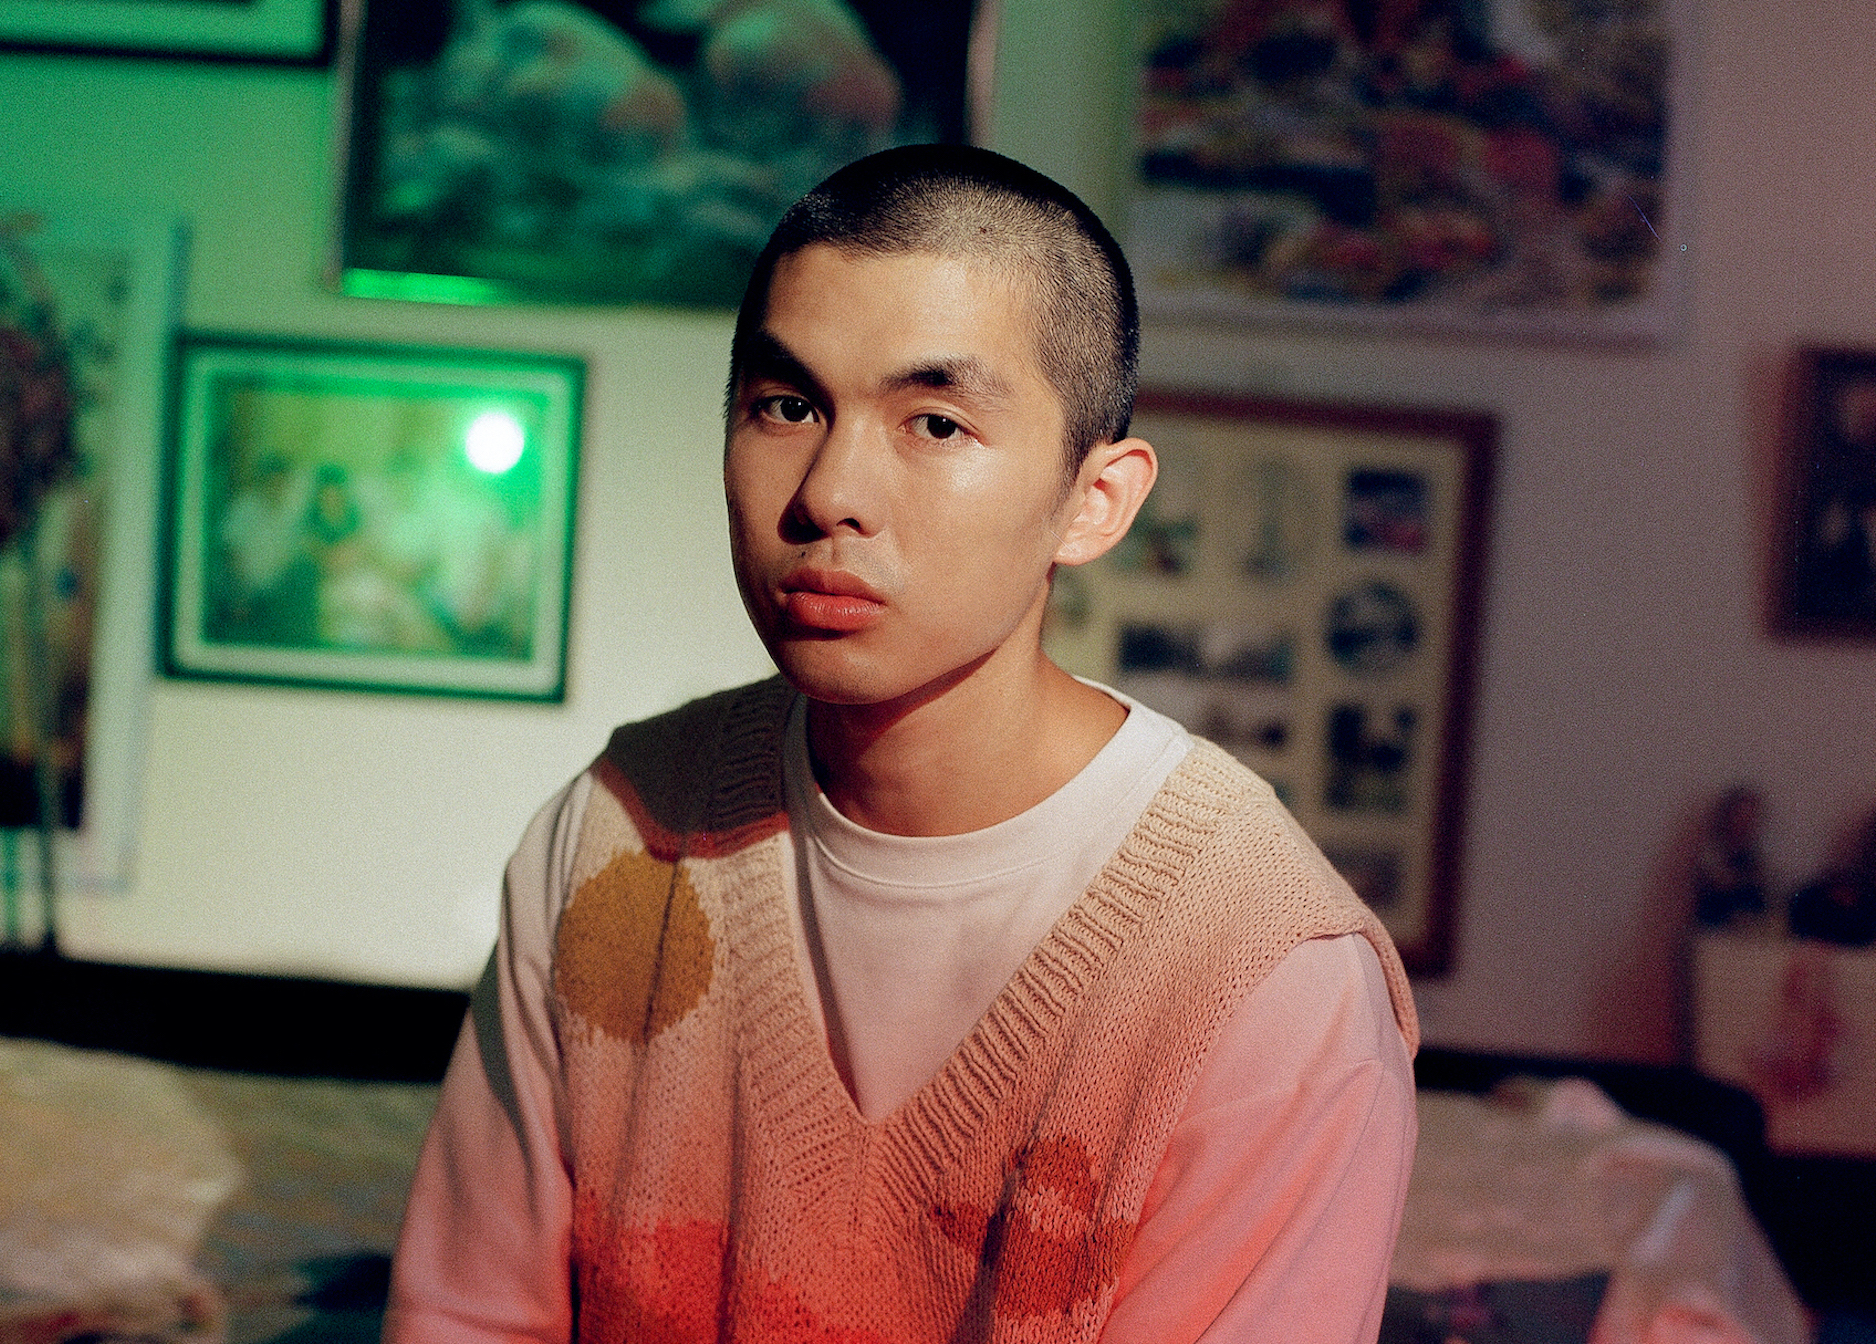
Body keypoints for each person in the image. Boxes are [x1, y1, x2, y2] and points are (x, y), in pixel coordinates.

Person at [383, 144, 1419, 1344]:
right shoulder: (621, 828)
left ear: (1094, 501)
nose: (828, 492)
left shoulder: (1266, 976)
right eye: (786, 406)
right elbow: (465, 1315)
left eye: (933, 422)